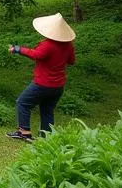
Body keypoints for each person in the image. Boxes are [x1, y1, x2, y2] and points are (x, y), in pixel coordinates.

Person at [7, 12, 76, 142]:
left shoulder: (48, 45)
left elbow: (36, 55)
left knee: (22, 102)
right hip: (58, 86)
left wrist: (18, 49)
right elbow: (71, 61)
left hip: (43, 83)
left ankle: (24, 132)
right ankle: (46, 138)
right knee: (47, 110)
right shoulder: (68, 45)